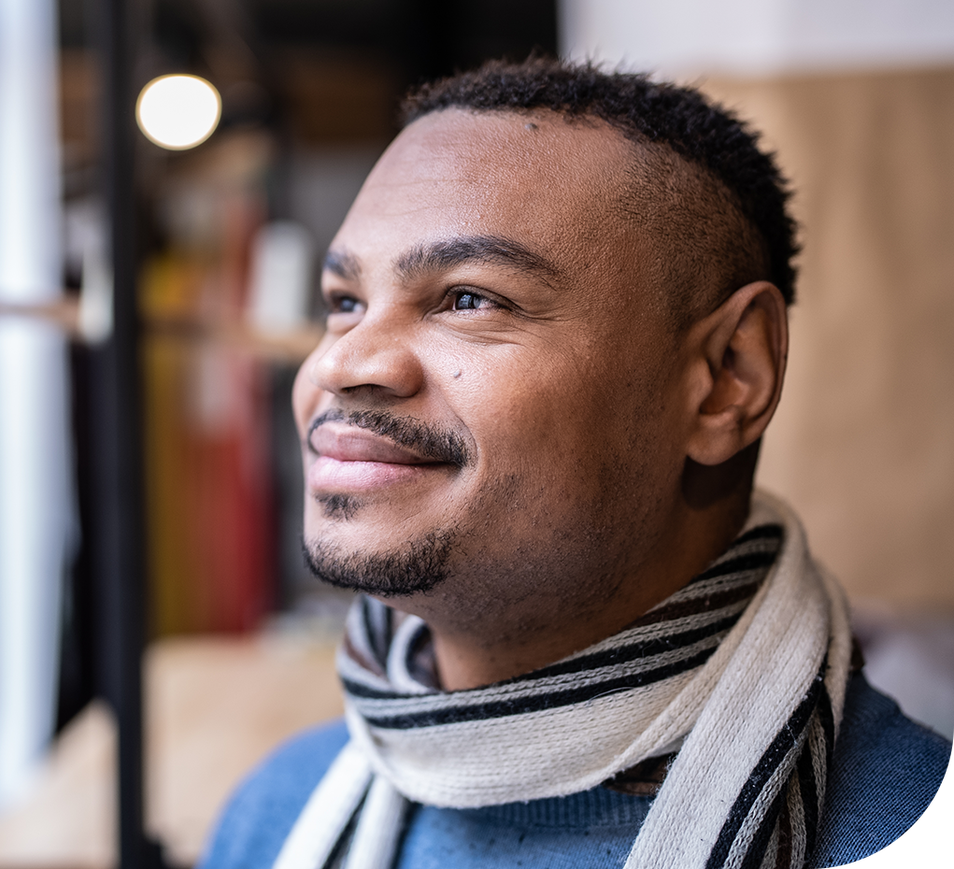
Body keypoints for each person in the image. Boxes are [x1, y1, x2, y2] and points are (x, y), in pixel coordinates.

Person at [200, 58, 950, 869]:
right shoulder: (274, 817)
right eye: (344, 302)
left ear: (729, 378)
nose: (342, 365)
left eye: (468, 298)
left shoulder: (889, 822)